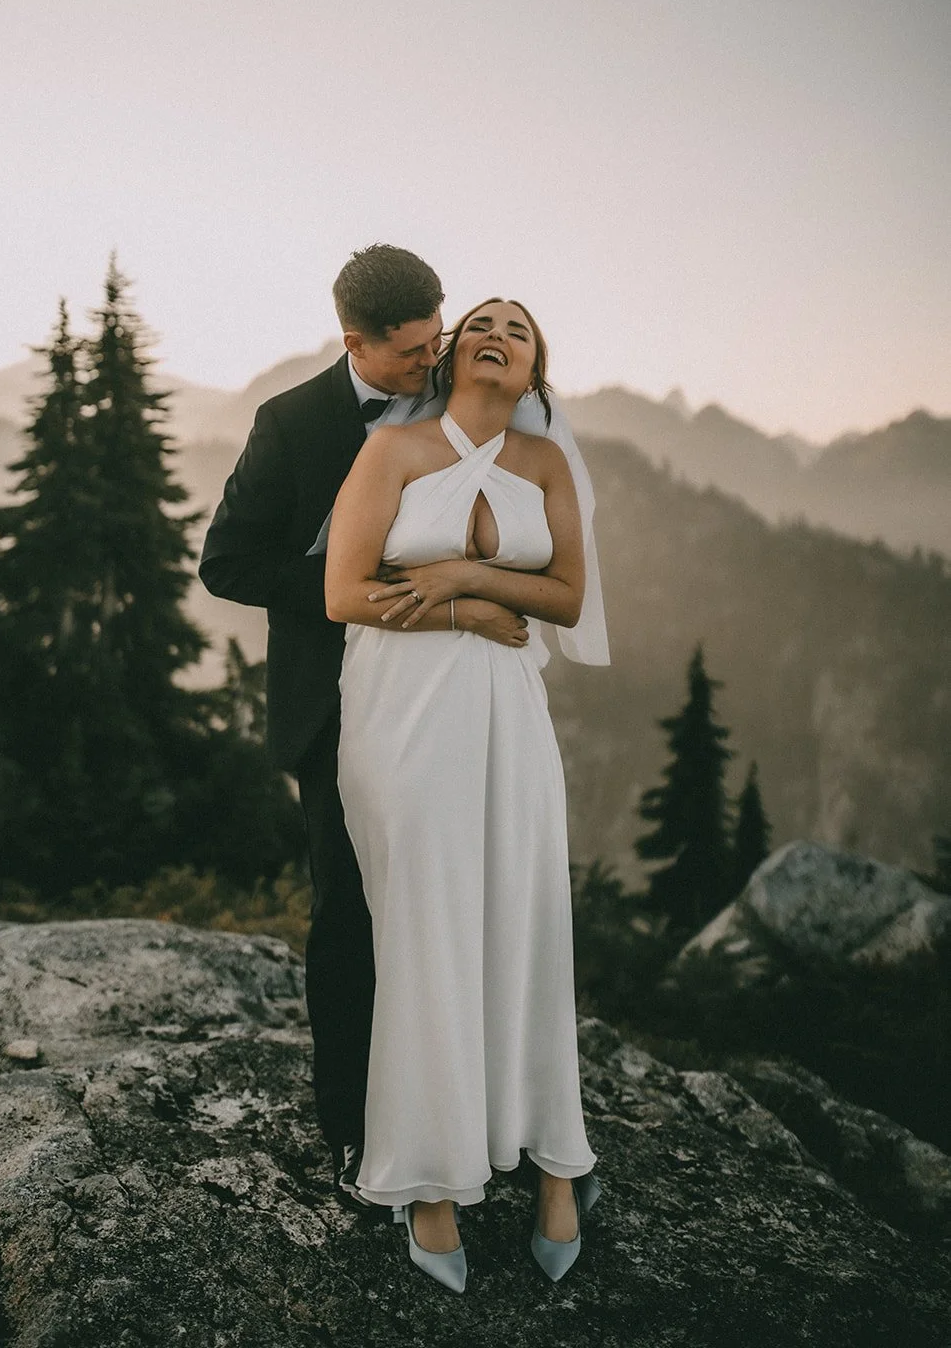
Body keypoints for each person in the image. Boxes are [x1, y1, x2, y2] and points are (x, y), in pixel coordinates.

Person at [198, 246, 526, 1206]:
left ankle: (468, 1115)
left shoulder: (458, 397)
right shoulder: (290, 424)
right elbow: (227, 564)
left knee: (459, 907)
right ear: (356, 343)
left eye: (441, 341)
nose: (435, 364)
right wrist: (353, 586)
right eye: (415, 352)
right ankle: (351, 1129)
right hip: (338, 708)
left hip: (450, 696)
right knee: (350, 917)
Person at [324, 297, 610, 1290]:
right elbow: (343, 592)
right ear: (450, 354)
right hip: (403, 710)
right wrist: (458, 607)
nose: (495, 327)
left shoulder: (546, 466)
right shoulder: (392, 451)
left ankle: (554, 1166)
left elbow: (566, 596)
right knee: (426, 930)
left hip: (506, 714)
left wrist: (465, 578)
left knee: (522, 924)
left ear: (533, 370)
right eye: (479, 318)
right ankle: (432, 1184)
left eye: (518, 326)